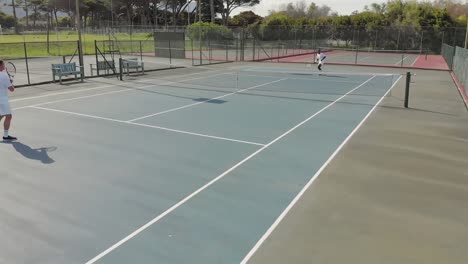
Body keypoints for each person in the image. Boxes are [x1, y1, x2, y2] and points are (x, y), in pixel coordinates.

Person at [0, 60, 17, 141]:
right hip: (2, 100)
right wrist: (11, 83)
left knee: (1, 115)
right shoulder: (4, 76)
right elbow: (12, 89)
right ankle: (5, 136)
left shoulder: (3, 75)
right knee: (9, 116)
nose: (5, 66)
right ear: (0, 66)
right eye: (3, 65)